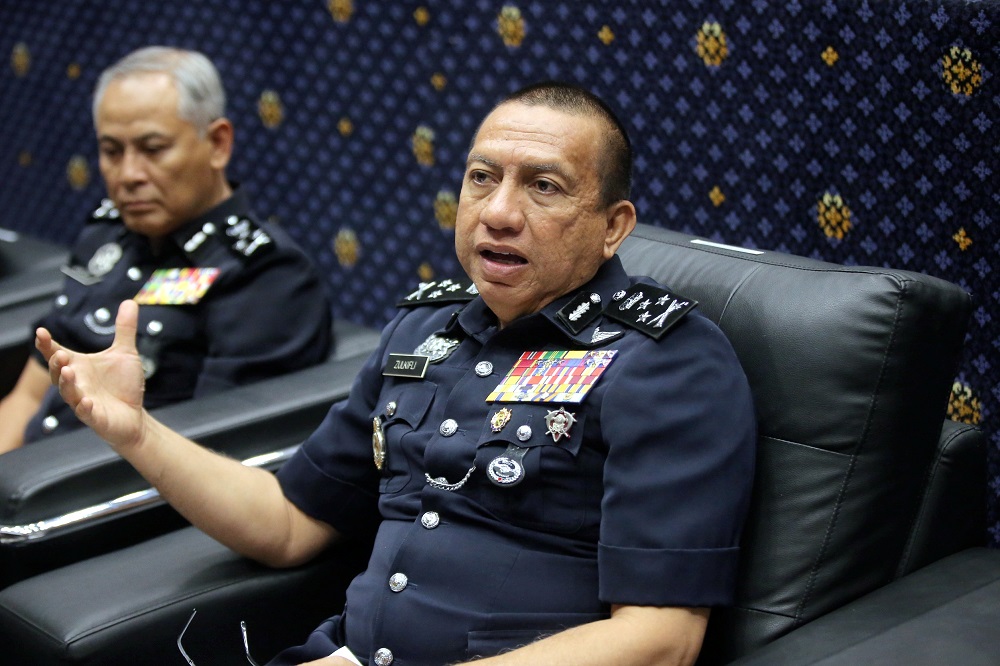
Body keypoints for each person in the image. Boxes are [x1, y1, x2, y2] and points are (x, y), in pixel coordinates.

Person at [37, 82, 756, 665]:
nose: (499, 212)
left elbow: (661, 640)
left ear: (613, 225)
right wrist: (136, 433)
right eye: (482, 178)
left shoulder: (667, 361)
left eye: (544, 186)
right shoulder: (423, 330)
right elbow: (289, 523)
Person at [0, 46, 332, 453]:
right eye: (112, 151)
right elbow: (29, 396)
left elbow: (214, 458)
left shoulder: (266, 276)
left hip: (98, 497)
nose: (129, 175)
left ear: (217, 144)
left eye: (153, 149)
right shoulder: (106, 233)